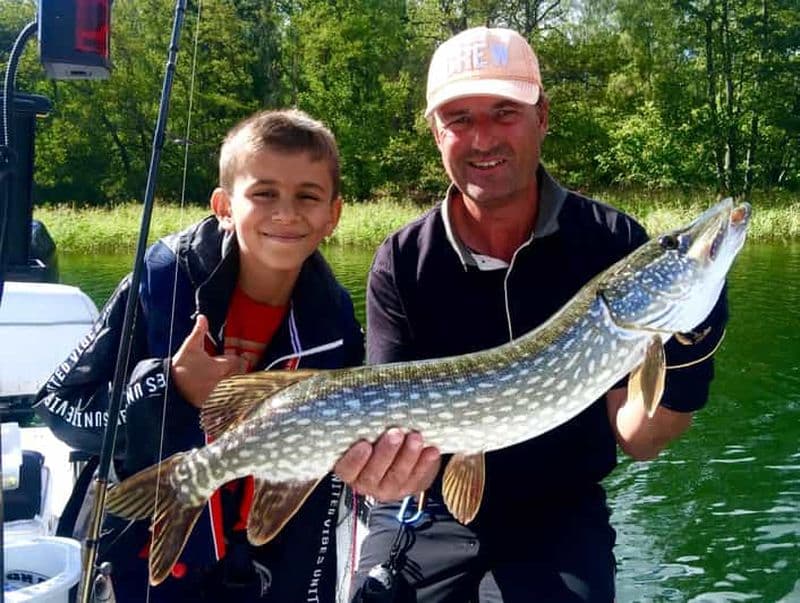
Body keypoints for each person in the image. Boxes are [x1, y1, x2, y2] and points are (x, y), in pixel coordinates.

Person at [337, 27, 729, 602]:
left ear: (542, 116)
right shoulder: (401, 260)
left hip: (560, 512)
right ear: (435, 132)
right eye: (460, 119)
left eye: (504, 112)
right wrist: (383, 473)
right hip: (427, 506)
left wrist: (692, 358)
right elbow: (392, 439)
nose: (483, 138)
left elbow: (640, 440)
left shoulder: (611, 240)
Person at [34, 109, 364, 602]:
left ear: (333, 215)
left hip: (270, 566)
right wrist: (166, 386)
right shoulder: (163, 282)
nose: (287, 213)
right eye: (264, 193)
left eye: (308, 197)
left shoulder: (336, 323)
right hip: (148, 562)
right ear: (224, 205)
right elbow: (57, 408)